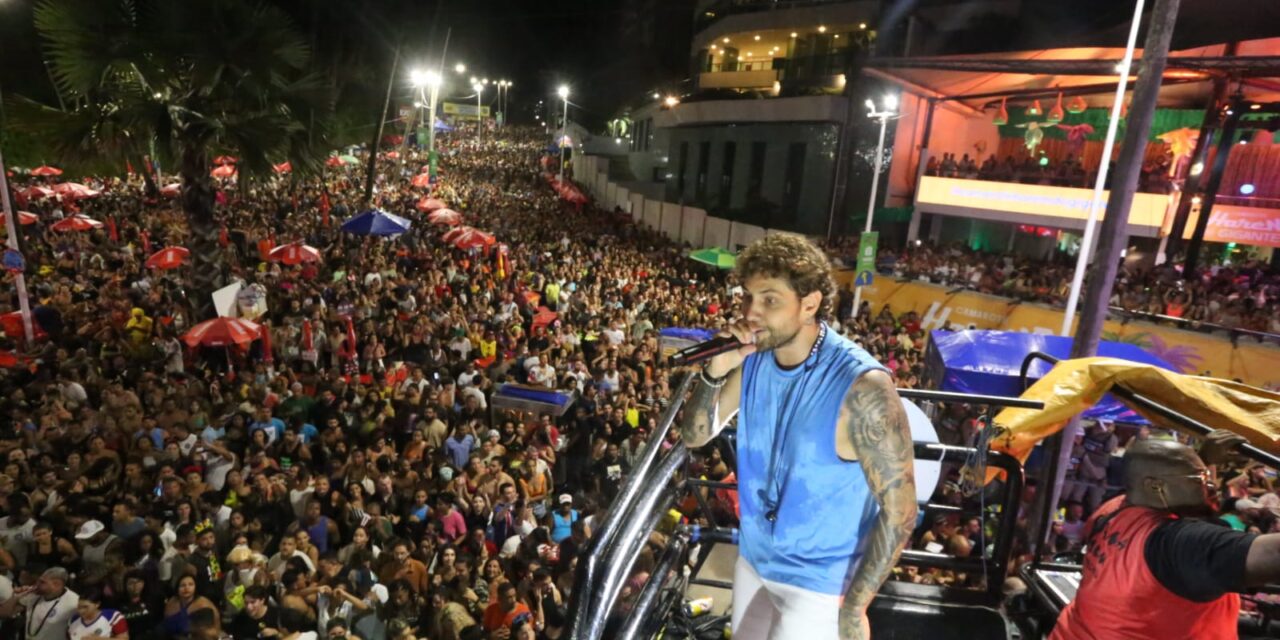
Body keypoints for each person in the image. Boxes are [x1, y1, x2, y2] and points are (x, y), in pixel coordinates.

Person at [677, 234, 916, 640]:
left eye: (769, 299)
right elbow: (695, 436)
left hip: (820, 584)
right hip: (754, 559)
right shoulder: (755, 360)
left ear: (810, 304)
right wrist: (715, 371)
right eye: (747, 297)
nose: (751, 312)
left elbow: (900, 510)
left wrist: (856, 607)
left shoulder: (863, 387)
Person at [1051, 430, 1280, 640]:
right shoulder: (1178, 542)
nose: (1210, 484)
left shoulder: (1113, 509)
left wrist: (1202, 460)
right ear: (1155, 487)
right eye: (1199, 479)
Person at [6, 567, 79, 640]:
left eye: (42, 582)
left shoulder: (74, 602)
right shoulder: (33, 594)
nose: (37, 584)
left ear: (57, 584)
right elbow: (6, 612)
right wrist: (16, 596)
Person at [226, 585, 312, 639]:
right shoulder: (241, 617)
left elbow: (299, 634)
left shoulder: (280, 614)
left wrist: (277, 633)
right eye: (246, 603)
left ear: (262, 600)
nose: (249, 607)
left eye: (253, 602)